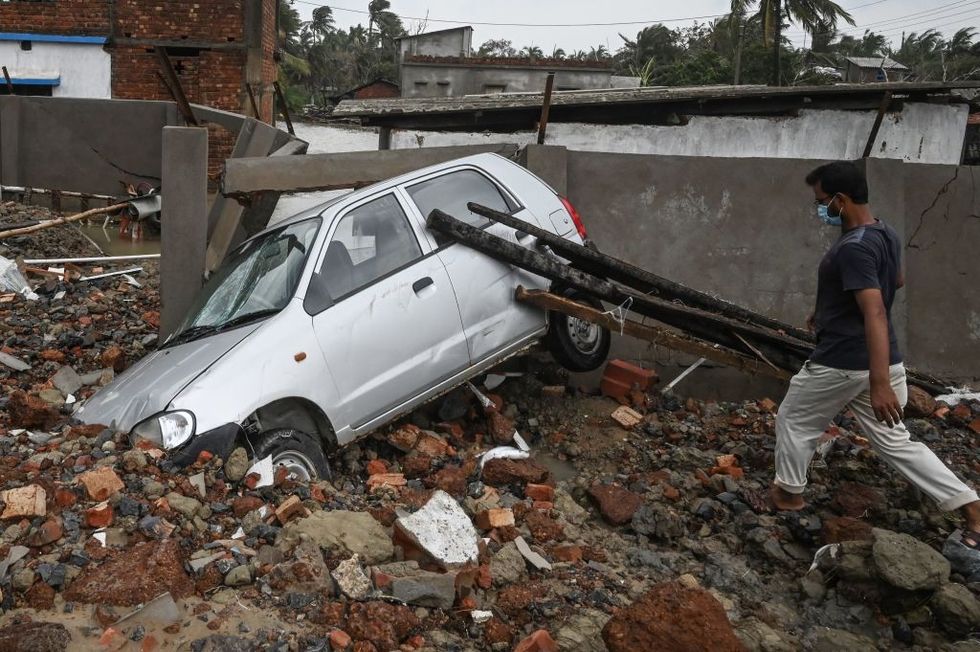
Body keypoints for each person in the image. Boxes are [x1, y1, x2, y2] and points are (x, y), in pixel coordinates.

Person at [770, 160, 980, 552]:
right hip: (880, 359)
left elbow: (875, 311)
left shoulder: (854, 247)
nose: (819, 208)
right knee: (896, 443)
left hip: (843, 363)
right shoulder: (884, 232)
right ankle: (970, 506)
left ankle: (789, 495)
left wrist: (879, 381)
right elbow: (893, 281)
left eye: (821, 201)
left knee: (795, 420)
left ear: (840, 199)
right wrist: (830, 306)